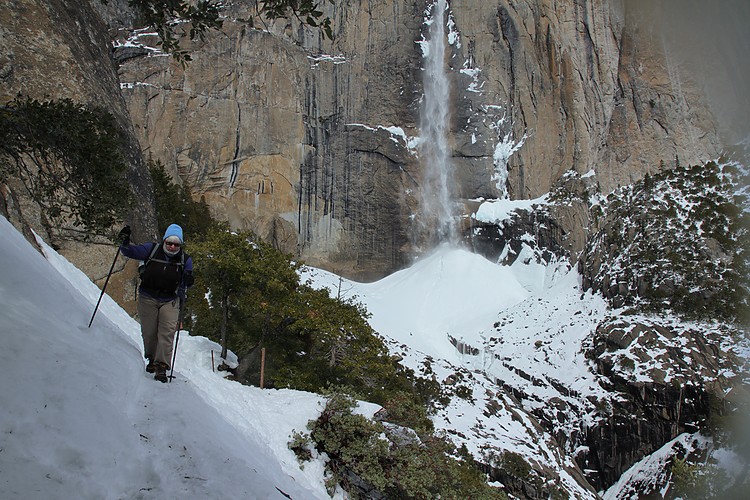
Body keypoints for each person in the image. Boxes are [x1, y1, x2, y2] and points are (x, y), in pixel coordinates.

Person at [117, 224, 194, 382]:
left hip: (170, 300)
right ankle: (152, 359)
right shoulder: (151, 250)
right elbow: (130, 252)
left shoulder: (185, 260)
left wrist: (188, 281)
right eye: (169, 243)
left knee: (167, 333)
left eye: (176, 244)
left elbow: (188, 280)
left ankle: (162, 366)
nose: (172, 247)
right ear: (164, 240)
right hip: (148, 297)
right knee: (149, 332)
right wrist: (124, 242)